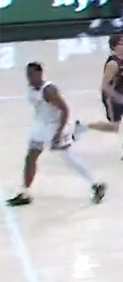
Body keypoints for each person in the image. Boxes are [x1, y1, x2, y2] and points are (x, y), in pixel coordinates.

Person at [7, 63, 106, 207]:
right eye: (27, 74)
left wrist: (58, 133)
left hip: (55, 126)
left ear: (39, 74)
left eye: (31, 74)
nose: (29, 78)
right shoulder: (30, 87)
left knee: (68, 158)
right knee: (30, 157)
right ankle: (25, 193)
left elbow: (65, 110)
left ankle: (95, 184)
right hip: (40, 125)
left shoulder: (49, 90)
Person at [83, 35, 123, 162]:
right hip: (110, 97)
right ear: (115, 47)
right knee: (121, 124)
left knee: (122, 124)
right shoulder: (112, 64)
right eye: (121, 44)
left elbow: (120, 80)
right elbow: (105, 86)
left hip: (119, 94)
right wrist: (119, 98)